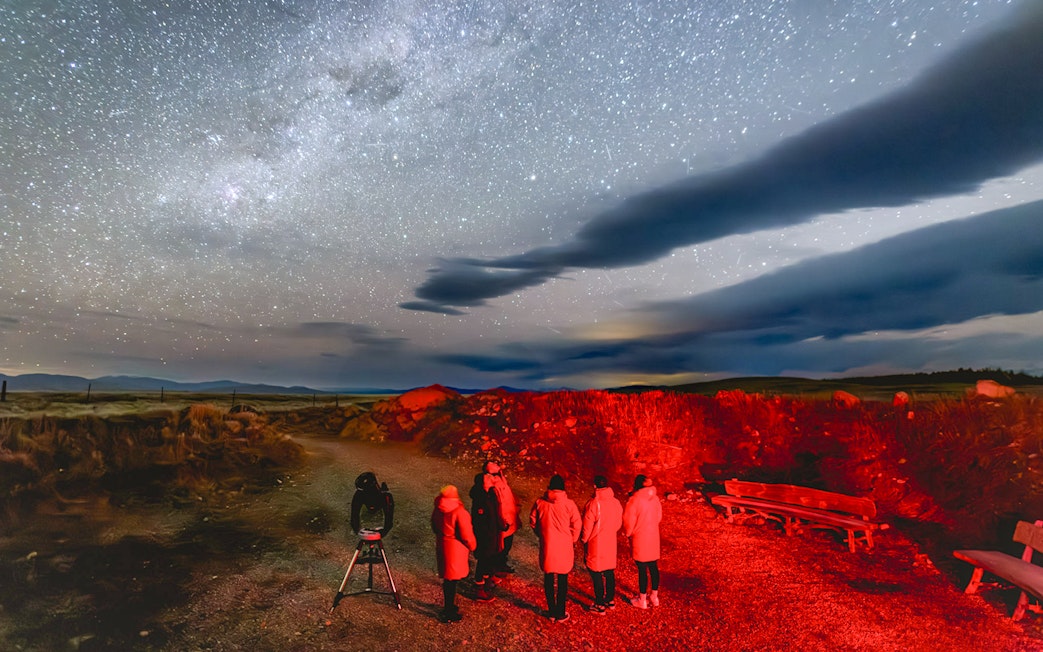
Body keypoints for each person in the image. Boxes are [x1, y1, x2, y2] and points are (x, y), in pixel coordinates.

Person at [529, 473, 582, 621]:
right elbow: (577, 524)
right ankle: (560, 612)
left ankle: (551, 610)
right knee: (563, 579)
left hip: (548, 544)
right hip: (564, 545)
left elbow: (533, 520)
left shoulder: (540, 502)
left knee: (548, 577)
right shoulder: (569, 504)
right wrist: (572, 539)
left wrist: (541, 534)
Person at [431, 485, 477, 623]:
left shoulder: (438, 508)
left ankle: (449, 606)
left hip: (443, 544)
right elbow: (466, 534)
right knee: (452, 580)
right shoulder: (459, 512)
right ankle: (448, 610)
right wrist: (473, 546)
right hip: (455, 548)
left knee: (448, 579)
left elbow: (433, 525)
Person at [581, 474, 623, 614]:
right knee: (609, 570)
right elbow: (618, 522)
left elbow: (587, 525)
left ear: (595, 486)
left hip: (596, 541)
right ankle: (610, 599)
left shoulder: (593, 504)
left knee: (596, 571)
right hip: (610, 540)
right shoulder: (616, 502)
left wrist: (584, 539)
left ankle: (599, 603)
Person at [623, 474, 663, 609]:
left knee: (642, 569)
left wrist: (628, 533)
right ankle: (654, 596)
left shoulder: (634, 500)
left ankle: (642, 600)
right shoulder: (655, 498)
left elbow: (629, 521)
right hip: (653, 535)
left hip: (640, 537)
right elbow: (659, 516)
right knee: (653, 567)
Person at [483, 461, 521, 575]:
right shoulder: (490, 482)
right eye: (495, 465)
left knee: (507, 544)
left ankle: (501, 564)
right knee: (501, 545)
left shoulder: (500, 479)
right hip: (503, 519)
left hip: (509, 517)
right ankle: (496, 567)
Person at [469, 472, 501, 602]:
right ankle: (479, 588)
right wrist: (486, 534)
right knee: (483, 560)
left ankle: (486, 581)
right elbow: (480, 521)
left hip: (491, 533)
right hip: (485, 536)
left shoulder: (490, 494)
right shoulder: (480, 499)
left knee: (488, 559)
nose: (490, 478)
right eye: (487, 478)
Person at [350, 471, 394, 536]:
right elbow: (354, 515)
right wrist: (357, 531)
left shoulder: (385, 496)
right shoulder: (359, 494)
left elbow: (389, 519)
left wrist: (384, 531)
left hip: (380, 500)